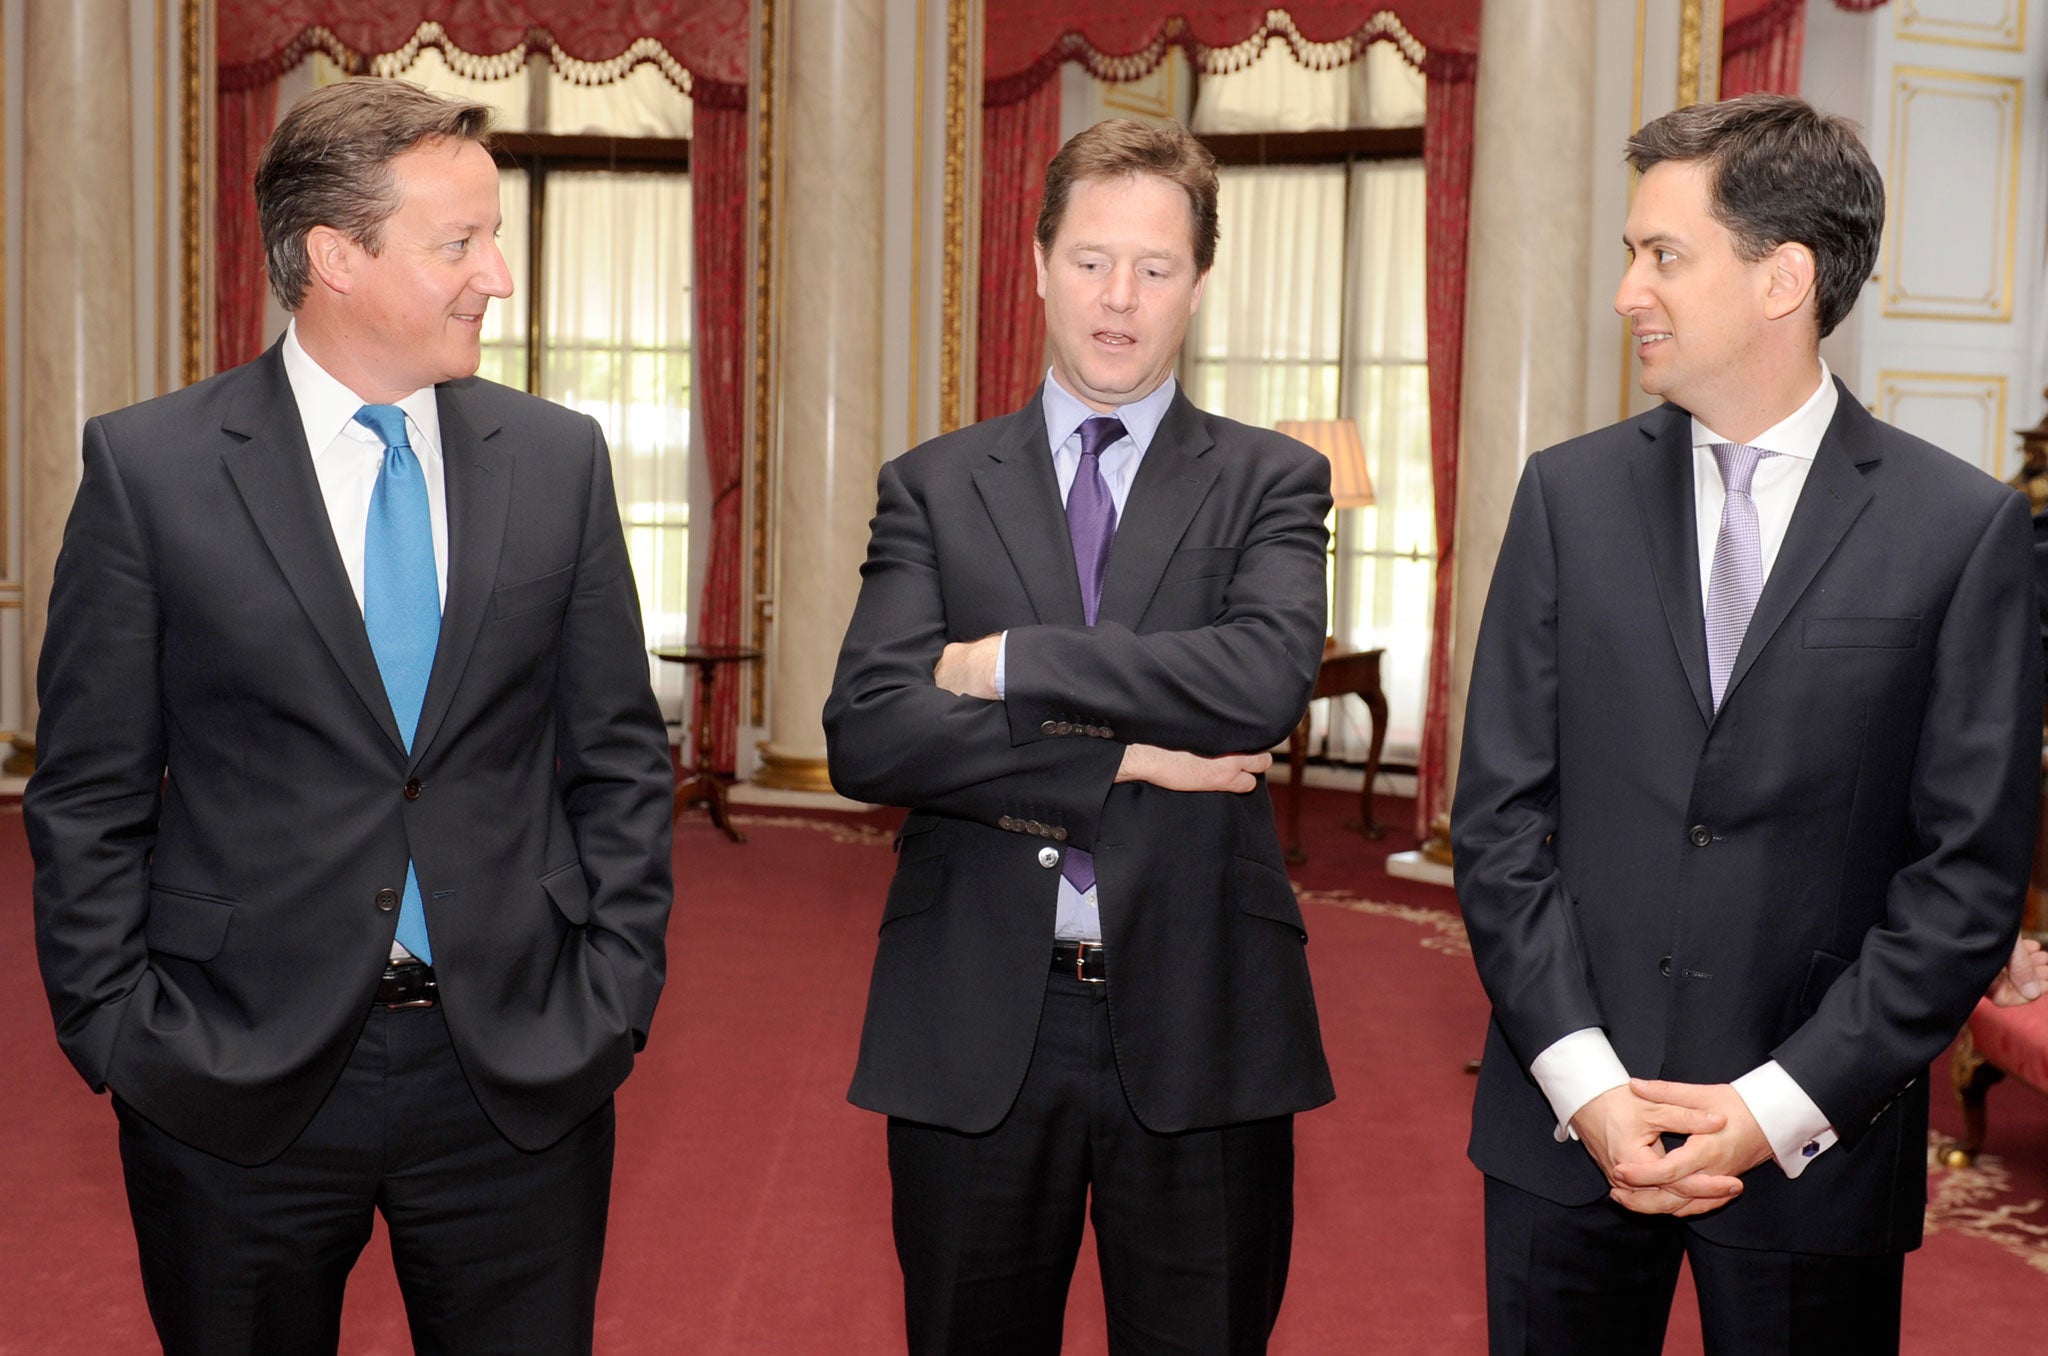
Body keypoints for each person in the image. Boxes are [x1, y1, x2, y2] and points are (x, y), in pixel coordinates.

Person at [27, 78, 674, 1355]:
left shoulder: (558, 460)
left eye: (494, 237)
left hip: (517, 1071)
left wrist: (614, 994)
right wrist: (121, 1033)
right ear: (333, 256)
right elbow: (88, 793)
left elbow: (616, 760)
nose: (496, 273)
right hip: (229, 1076)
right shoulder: (151, 471)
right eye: (459, 243)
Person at [1453, 94, 2047, 1354]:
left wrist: (1773, 1107)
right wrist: (1585, 1085)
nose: (1626, 292)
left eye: (1660, 255)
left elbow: (1963, 880)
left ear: (1780, 278)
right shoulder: (1565, 497)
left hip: (1810, 1150)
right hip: (1567, 1135)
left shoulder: (1955, 531)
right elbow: (1499, 822)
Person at [824, 117, 1334, 1354]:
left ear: (1199, 284)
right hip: (973, 1017)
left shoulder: (1271, 479)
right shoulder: (934, 485)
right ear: (1038, 262)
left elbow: (1260, 684)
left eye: (1155, 268)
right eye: (1091, 260)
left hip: (1205, 1015)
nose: (1119, 299)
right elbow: (869, 734)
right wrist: (1116, 760)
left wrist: (1005, 663)